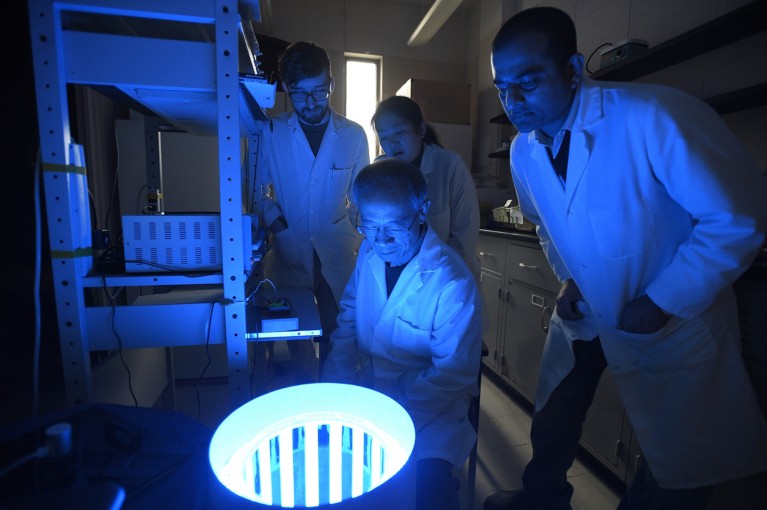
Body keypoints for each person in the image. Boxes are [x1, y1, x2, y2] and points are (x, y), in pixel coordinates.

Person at [485, 6, 767, 510]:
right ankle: (541, 499)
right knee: (555, 415)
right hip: (587, 308)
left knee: (676, 460)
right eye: (504, 87)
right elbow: (547, 224)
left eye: (528, 81)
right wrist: (568, 278)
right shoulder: (525, 150)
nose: (513, 101)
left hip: (668, 321)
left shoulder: (653, 116)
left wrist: (661, 300)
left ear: (573, 70)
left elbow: (738, 219)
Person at [321, 159, 482, 510]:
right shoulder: (369, 251)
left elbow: (452, 375)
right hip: (370, 391)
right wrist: (332, 391)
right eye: (369, 226)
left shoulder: (451, 283)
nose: (382, 241)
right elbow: (348, 320)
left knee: (426, 489)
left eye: (394, 227)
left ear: (422, 211)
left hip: (431, 411)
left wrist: (387, 419)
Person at [254, 41, 369, 383]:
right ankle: (304, 401)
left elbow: (360, 199)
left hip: (337, 250)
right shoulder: (270, 131)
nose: (310, 103)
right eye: (300, 93)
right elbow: (257, 193)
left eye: (319, 91)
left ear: (331, 84)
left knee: (341, 336)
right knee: (296, 338)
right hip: (289, 250)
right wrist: (280, 225)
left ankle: (335, 402)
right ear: (286, 89)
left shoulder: (352, 134)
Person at [371, 95, 480, 279]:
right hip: (398, 276)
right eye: (384, 136)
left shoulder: (449, 165)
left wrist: (440, 279)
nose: (392, 142)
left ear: (420, 129)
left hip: (447, 277)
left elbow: (465, 234)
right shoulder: (379, 171)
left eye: (399, 132)